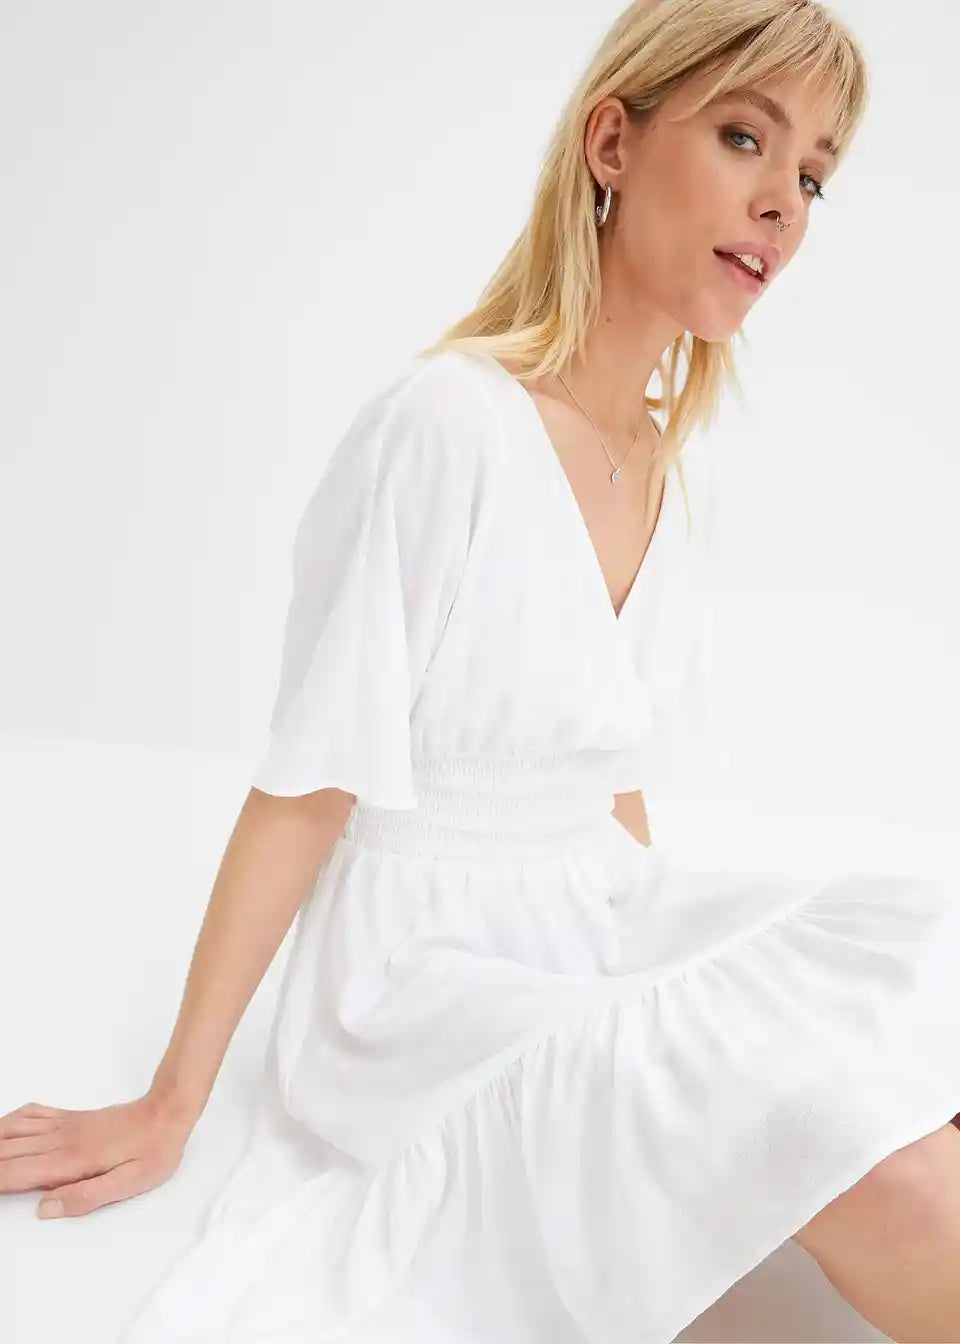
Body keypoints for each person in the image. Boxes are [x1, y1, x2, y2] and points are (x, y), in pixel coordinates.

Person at [5, 2, 960, 1340]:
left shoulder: (658, 464)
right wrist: (173, 1103)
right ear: (612, 144)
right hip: (419, 977)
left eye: (812, 175)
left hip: (582, 909)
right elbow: (308, 787)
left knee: (917, 973)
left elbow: (605, 766)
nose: (782, 206)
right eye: (746, 138)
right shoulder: (447, 427)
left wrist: (662, 953)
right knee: (873, 1155)